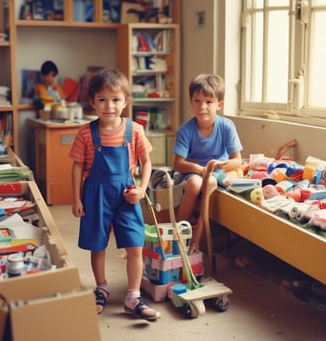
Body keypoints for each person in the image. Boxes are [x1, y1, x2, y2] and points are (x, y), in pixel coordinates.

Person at [69, 68, 161, 320]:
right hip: (95, 194)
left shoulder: (135, 130)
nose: (109, 106)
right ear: (92, 102)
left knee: (135, 245)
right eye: (102, 99)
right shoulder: (86, 133)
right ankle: (101, 289)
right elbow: (77, 166)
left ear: (125, 101)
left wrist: (142, 189)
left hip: (126, 195)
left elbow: (146, 162)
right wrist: (76, 198)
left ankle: (133, 296)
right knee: (97, 245)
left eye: (116, 99)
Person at [173, 73, 243, 254]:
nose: (202, 107)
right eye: (197, 101)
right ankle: (177, 230)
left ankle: (196, 241)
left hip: (217, 170)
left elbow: (238, 160)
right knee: (195, 183)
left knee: (210, 182)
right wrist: (197, 168)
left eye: (208, 102)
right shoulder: (186, 130)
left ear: (219, 105)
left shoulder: (226, 126)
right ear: (191, 102)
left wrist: (221, 165)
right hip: (193, 170)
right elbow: (178, 163)